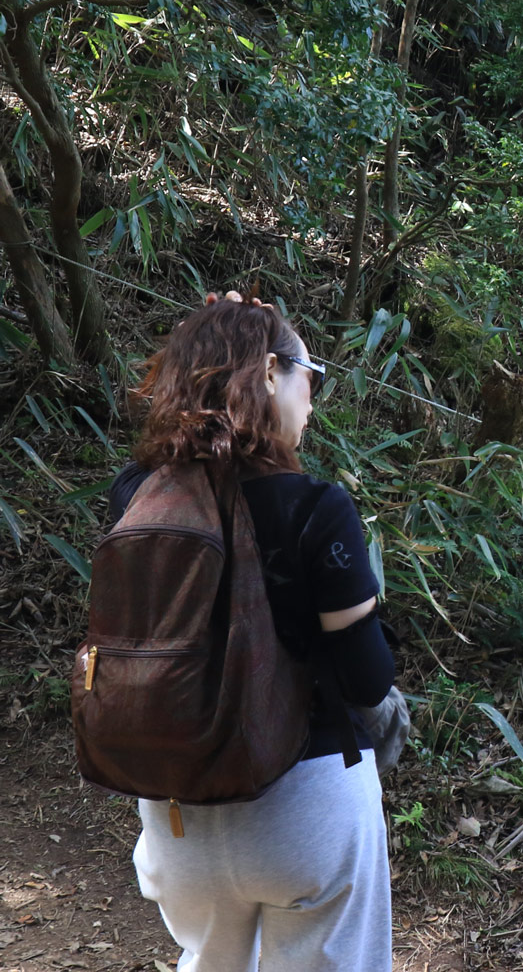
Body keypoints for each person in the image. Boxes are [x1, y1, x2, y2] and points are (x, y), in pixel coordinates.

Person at [110, 294, 395, 972]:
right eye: (310, 375)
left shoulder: (136, 495)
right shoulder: (319, 508)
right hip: (305, 810)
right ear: (270, 373)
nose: (314, 400)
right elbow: (366, 678)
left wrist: (214, 336)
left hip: (179, 819)